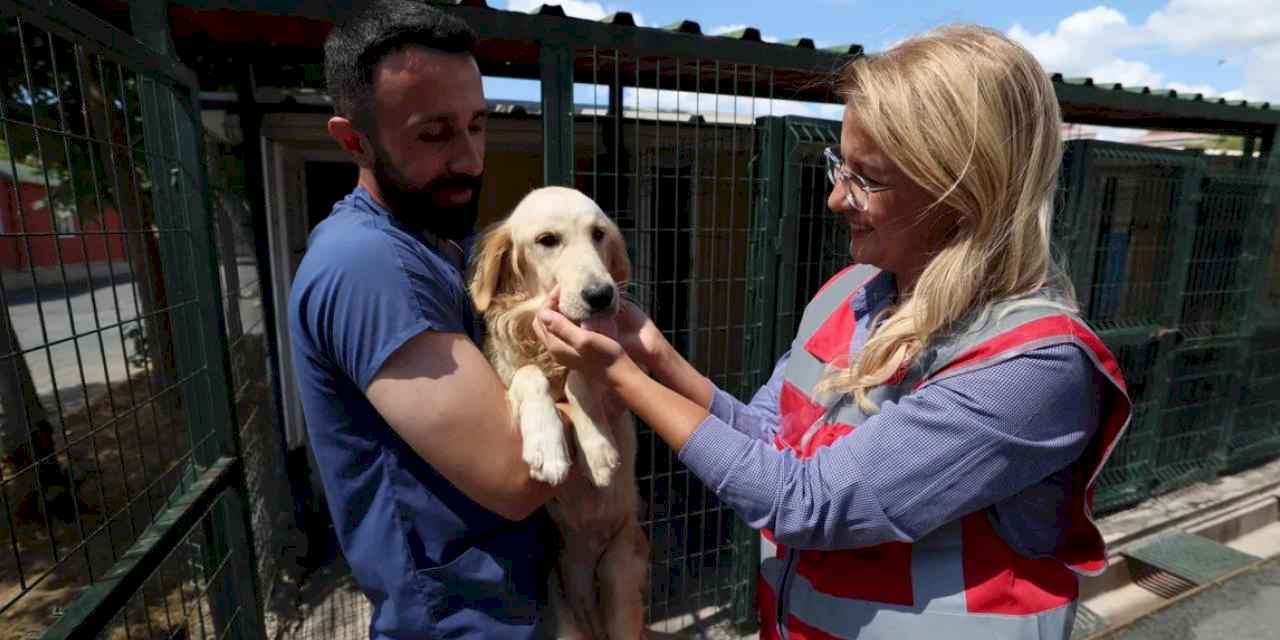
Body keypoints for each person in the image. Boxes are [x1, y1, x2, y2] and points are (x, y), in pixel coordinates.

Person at [535, 24, 1132, 640]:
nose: (833, 197)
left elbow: (806, 503)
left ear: (962, 190)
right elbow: (770, 442)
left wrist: (621, 377)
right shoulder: (848, 297)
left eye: (866, 178)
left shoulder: (1031, 368)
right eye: (837, 165)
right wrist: (657, 357)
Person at [288, 2, 576, 637]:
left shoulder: (434, 240)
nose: (470, 159)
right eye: (434, 134)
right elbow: (520, 475)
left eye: (478, 125)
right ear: (351, 139)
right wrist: (605, 381)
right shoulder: (370, 265)